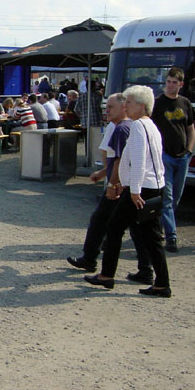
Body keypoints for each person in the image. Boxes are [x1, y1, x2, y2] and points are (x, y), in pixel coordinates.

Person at [84, 85, 171, 298]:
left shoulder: (139, 125)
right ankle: (161, 282)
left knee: (114, 228)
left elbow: (139, 161)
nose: (126, 106)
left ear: (141, 105)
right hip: (153, 186)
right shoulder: (151, 125)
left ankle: (107, 275)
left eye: (129, 102)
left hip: (142, 189)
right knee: (152, 236)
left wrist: (134, 190)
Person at [67, 93, 152, 279]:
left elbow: (122, 161)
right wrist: (103, 173)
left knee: (104, 222)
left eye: (111, 107)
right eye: (106, 108)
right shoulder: (125, 127)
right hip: (124, 184)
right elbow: (118, 161)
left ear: (123, 108)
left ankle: (95, 263)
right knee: (134, 227)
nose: (106, 111)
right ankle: (145, 269)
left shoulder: (122, 129)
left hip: (122, 186)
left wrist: (114, 184)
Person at [151, 67, 195, 253]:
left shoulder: (185, 103)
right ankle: (171, 236)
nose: (170, 85)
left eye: (174, 82)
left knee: (176, 196)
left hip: (182, 155)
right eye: (168, 81)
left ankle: (160, 226)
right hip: (164, 155)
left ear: (181, 84)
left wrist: (189, 150)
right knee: (167, 197)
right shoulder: (157, 103)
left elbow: (190, 128)